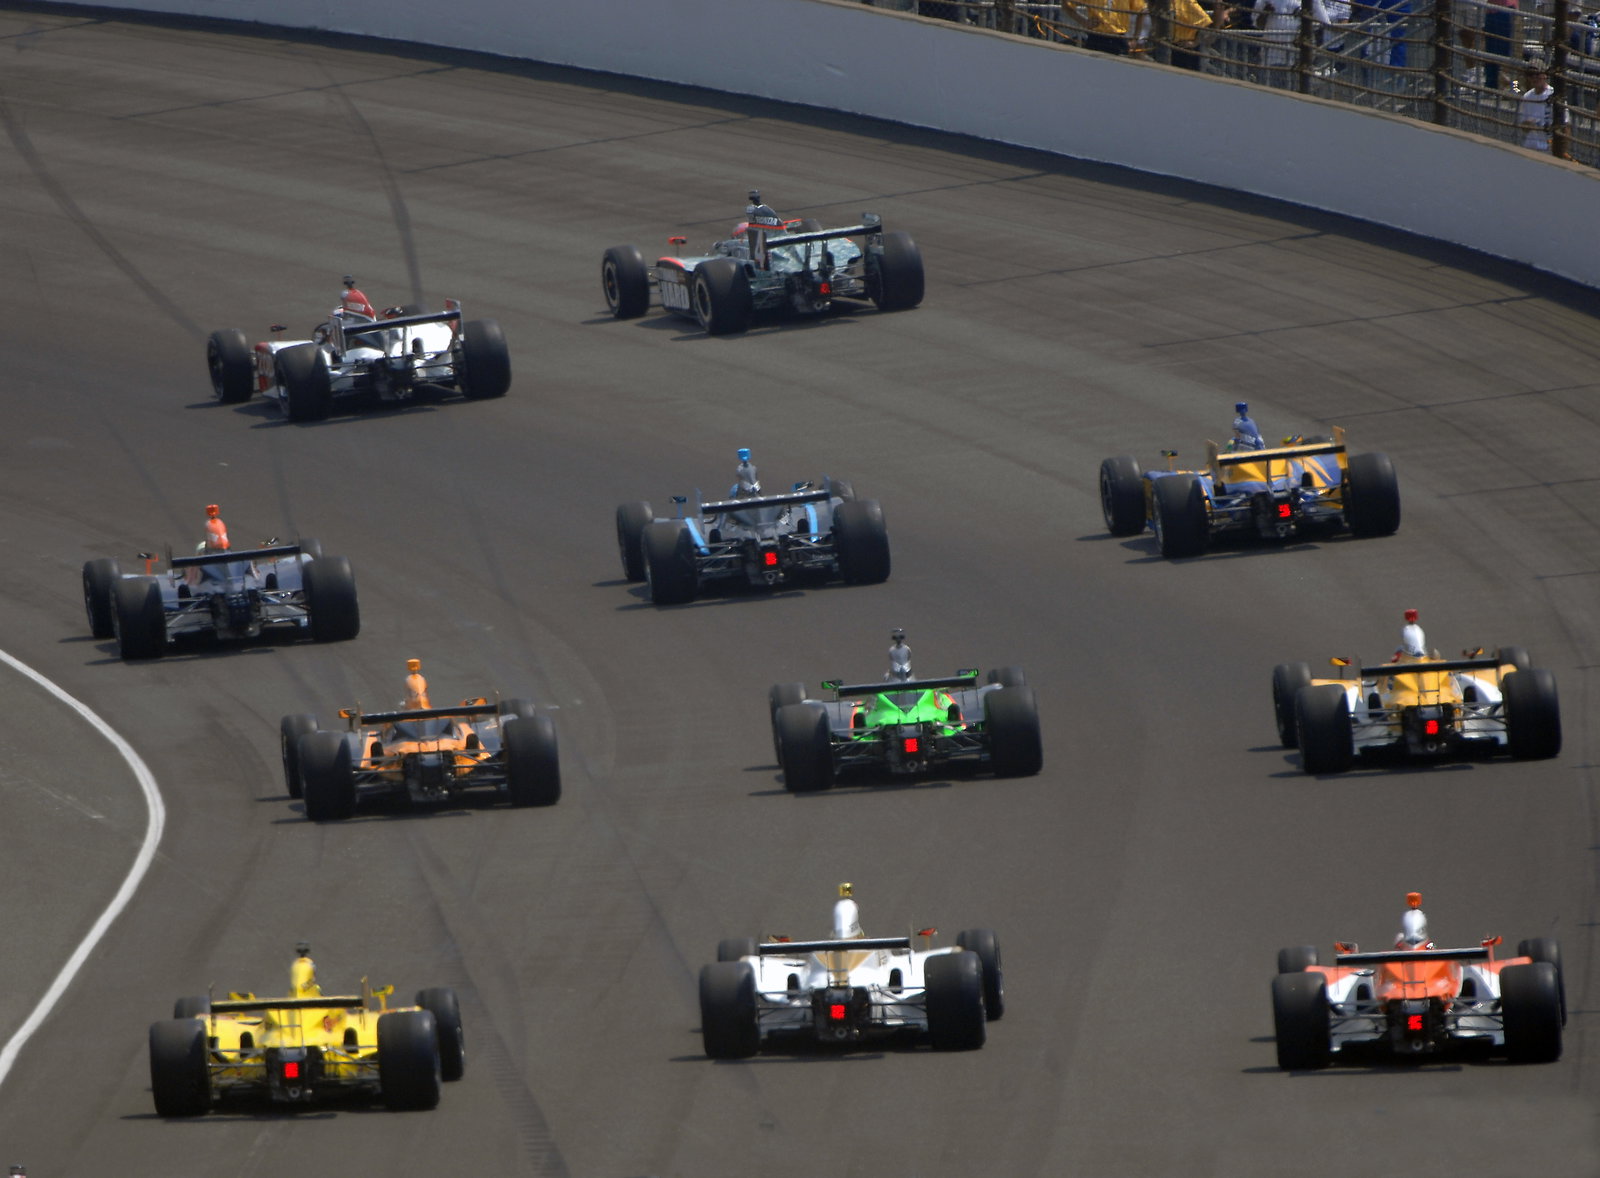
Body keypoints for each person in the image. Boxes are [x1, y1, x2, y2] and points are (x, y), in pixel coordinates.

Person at [1518, 67, 1566, 153]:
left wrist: (1562, 150)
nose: (1534, 78)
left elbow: (1565, 125)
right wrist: (1528, 124)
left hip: (1548, 149)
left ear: (1545, 75)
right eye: (1530, 75)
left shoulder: (1555, 95)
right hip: (1529, 147)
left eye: (1537, 74)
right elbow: (1523, 127)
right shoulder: (1527, 96)